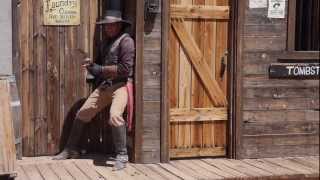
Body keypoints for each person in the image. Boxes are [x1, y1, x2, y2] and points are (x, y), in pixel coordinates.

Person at [53, 10, 135, 171]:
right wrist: (92, 65)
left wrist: (100, 69)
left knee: (115, 116)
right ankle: (71, 149)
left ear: (119, 25)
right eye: (106, 26)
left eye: (111, 25)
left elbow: (125, 69)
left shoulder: (127, 42)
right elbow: (99, 65)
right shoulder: (106, 42)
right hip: (106, 85)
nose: (108, 28)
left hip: (121, 85)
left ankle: (122, 155)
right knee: (82, 113)